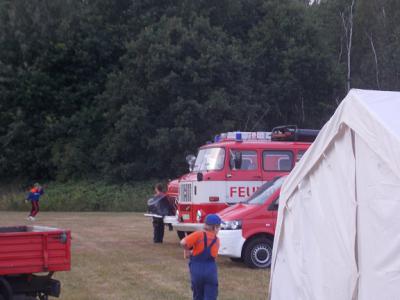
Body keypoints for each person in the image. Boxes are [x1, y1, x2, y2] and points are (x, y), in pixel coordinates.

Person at [180, 214, 222, 300]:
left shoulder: (198, 234)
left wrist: (188, 251)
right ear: (214, 228)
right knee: (211, 296)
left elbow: (183, 242)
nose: (219, 229)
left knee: (198, 296)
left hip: (196, 270)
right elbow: (213, 255)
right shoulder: (216, 240)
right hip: (210, 270)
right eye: (219, 227)